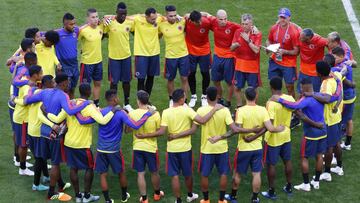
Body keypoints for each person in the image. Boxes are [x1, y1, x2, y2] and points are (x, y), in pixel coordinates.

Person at [135, 88, 224, 203]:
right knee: (188, 174)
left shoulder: (166, 112)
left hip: (172, 149)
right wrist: (215, 109)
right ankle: (190, 195)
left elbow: (161, 132)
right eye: (185, 96)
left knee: (175, 176)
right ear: (181, 99)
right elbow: (202, 121)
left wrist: (144, 136)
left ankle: (178, 200)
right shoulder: (187, 110)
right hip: (185, 149)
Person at [45, 83, 118, 203]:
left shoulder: (71, 104)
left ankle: (78, 196)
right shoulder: (90, 107)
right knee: (89, 168)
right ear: (89, 92)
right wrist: (113, 110)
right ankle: (87, 196)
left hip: (69, 143)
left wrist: (46, 113)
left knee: (73, 168)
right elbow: (103, 121)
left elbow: (57, 119)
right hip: (83, 145)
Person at [25, 73, 91, 201]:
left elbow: (28, 100)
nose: (69, 84)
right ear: (63, 83)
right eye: (68, 82)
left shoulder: (45, 92)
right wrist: (86, 103)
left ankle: (55, 185)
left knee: (43, 159)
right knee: (55, 163)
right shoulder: (63, 95)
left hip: (43, 131)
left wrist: (30, 90)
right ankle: (51, 192)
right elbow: (70, 111)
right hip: (55, 134)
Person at [197, 87, 261, 203]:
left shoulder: (201, 110)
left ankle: (206, 200)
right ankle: (221, 200)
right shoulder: (224, 110)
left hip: (207, 148)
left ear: (206, 97)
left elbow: (195, 126)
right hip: (222, 148)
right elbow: (235, 129)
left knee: (204, 175)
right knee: (223, 174)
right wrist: (252, 130)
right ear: (217, 96)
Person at [94, 89, 154, 203]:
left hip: (101, 149)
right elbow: (135, 126)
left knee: (103, 174)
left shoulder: (101, 112)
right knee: (121, 172)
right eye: (117, 97)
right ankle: (123, 196)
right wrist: (148, 114)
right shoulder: (120, 113)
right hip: (114, 150)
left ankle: (107, 200)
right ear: (115, 99)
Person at [271, 77, 328, 191]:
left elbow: (294, 106)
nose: (300, 89)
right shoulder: (319, 96)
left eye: (301, 87)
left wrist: (279, 100)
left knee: (304, 157)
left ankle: (306, 184)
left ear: (305, 86)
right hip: (323, 130)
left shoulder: (306, 99)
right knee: (319, 155)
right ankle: (316, 181)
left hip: (311, 133)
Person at [304, 61, 344, 181]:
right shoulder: (335, 77)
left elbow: (326, 99)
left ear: (319, 73)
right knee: (336, 143)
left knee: (329, 147)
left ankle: (327, 172)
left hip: (329, 119)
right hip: (336, 116)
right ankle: (339, 167)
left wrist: (311, 94)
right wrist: (337, 104)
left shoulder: (326, 83)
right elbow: (339, 94)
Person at [261, 77, 294, 199]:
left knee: (271, 165)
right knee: (287, 161)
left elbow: (270, 122)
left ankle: (272, 191)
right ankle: (289, 186)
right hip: (286, 135)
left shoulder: (271, 103)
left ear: (271, 87)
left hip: (273, 138)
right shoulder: (290, 98)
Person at [128, 90, 164, 203]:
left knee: (140, 173)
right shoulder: (155, 114)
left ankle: (144, 199)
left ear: (138, 101)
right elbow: (160, 132)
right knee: (154, 172)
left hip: (137, 147)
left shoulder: (132, 113)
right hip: (151, 148)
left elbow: (127, 130)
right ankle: (157, 194)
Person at [12, 65, 43, 176]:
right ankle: (23, 168)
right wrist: (15, 99)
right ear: (35, 75)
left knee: (22, 142)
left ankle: (22, 162)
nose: (42, 75)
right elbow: (25, 101)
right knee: (23, 145)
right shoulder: (27, 87)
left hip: (20, 117)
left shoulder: (26, 82)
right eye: (41, 73)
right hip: (23, 119)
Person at [103, 2, 134, 111]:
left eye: (125, 14)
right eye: (121, 14)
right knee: (114, 82)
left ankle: (127, 103)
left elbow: (135, 32)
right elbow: (103, 35)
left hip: (126, 56)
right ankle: (113, 103)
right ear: (116, 13)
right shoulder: (110, 23)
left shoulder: (130, 23)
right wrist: (105, 19)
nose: (123, 16)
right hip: (114, 58)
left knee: (126, 81)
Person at [28, 74, 55, 191]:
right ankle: (36, 184)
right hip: (38, 131)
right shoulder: (44, 97)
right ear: (47, 84)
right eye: (52, 83)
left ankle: (47, 177)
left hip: (31, 129)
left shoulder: (35, 92)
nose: (54, 85)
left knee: (41, 156)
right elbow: (43, 115)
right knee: (39, 158)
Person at [159, 5, 189, 107]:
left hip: (183, 55)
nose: (173, 17)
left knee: (184, 78)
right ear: (166, 15)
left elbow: (190, 16)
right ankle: (171, 99)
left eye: (175, 15)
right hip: (170, 57)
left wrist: (181, 16)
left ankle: (184, 100)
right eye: (171, 16)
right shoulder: (161, 24)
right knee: (170, 79)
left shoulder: (182, 21)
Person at [266, 8, 300, 98]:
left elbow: (296, 51)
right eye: (281, 17)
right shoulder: (274, 28)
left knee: (289, 86)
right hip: (275, 60)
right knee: (273, 84)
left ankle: (293, 107)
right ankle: (275, 103)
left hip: (288, 63)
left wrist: (284, 51)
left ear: (289, 18)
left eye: (284, 17)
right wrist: (270, 47)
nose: (282, 19)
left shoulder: (294, 32)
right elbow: (268, 40)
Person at [209, 9, 241, 107]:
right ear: (217, 19)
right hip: (217, 56)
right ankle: (219, 97)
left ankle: (228, 101)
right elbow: (206, 14)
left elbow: (245, 27)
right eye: (221, 19)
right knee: (215, 79)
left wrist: (254, 28)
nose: (224, 21)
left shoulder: (233, 26)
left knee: (229, 81)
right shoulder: (213, 22)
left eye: (225, 19)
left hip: (229, 57)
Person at [231, 13, 262, 107]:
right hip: (240, 65)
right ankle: (239, 107)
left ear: (251, 23)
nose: (244, 26)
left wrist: (248, 40)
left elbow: (256, 50)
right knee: (236, 88)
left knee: (253, 89)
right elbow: (231, 48)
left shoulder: (257, 34)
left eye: (246, 24)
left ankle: (252, 107)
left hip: (252, 67)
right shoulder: (237, 32)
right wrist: (235, 45)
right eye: (242, 24)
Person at [132, 7, 163, 96]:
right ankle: (141, 101)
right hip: (141, 54)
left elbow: (168, 17)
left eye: (155, 18)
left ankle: (147, 99)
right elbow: (124, 16)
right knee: (141, 79)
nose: (155, 20)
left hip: (154, 53)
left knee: (151, 77)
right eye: (152, 19)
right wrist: (107, 17)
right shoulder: (137, 19)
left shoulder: (159, 18)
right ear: (146, 17)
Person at [185, 10, 212, 107]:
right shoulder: (186, 20)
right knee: (191, 73)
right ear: (191, 21)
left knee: (205, 73)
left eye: (200, 20)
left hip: (204, 51)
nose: (200, 23)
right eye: (197, 22)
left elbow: (219, 25)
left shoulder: (206, 21)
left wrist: (207, 14)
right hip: (191, 51)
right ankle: (193, 96)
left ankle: (204, 96)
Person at [331, 47, 356, 150]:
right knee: (349, 120)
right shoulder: (346, 62)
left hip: (345, 97)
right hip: (350, 95)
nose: (333, 59)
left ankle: (338, 145)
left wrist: (335, 73)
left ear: (341, 57)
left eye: (335, 57)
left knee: (340, 122)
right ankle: (347, 144)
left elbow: (346, 82)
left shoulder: (340, 68)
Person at [79, 8, 104, 107]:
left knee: (97, 84)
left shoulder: (100, 28)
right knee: (85, 86)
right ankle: (83, 105)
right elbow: (74, 38)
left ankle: (96, 104)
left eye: (97, 17)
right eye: (93, 17)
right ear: (88, 19)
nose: (95, 19)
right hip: (87, 63)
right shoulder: (83, 30)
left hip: (98, 61)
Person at [55, 13, 80, 99]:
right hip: (64, 66)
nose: (74, 26)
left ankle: (71, 106)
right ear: (65, 24)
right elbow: (43, 35)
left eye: (74, 23)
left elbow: (87, 26)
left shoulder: (76, 31)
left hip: (74, 65)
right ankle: (64, 108)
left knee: (72, 88)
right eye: (71, 24)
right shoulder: (57, 34)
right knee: (65, 89)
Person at [298, 28, 328, 92]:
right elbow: (297, 27)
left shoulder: (319, 41)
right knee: (301, 92)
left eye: (302, 38)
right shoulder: (300, 36)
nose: (300, 39)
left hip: (315, 73)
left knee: (315, 93)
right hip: (303, 71)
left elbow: (331, 43)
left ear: (308, 38)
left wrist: (330, 57)